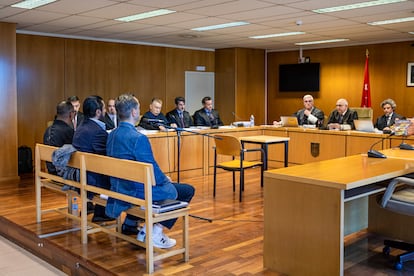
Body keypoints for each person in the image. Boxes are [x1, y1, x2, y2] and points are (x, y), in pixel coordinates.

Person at [105, 94, 195, 249]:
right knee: (186, 191)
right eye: (138, 108)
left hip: (120, 186)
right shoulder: (138, 138)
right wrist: (166, 179)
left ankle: (133, 223)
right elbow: (151, 169)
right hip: (135, 191)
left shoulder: (112, 134)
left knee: (166, 185)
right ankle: (154, 233)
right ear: (134, 112)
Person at [72, 95, 113, 223]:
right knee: (122, 176)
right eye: (104, 108)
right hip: (90, 179)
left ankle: (102, 212)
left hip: (79, 172)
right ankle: (131, 219)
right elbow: (106, 157)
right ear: (98, 112)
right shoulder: (97, 132)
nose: (105, 111)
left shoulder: (81, 127)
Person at [43, 100, 75, 174]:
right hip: (62, 173)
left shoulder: (48, 130)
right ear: (71, 114)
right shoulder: (68, 131)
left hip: (51, 171)